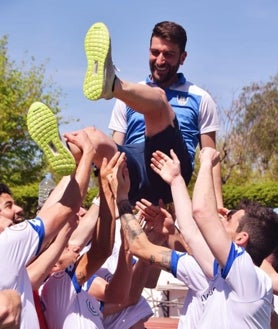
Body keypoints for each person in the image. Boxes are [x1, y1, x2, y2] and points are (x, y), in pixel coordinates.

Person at [106, 149, 278, 328]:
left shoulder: (250, 277)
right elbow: (188, 232)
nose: (220, 216)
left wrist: (206, 162)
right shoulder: (217, 271)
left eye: (228, 219)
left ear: (241, 238)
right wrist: (176, 180)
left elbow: (202, 213)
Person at [107, 21, 223, 208]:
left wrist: (217, 207)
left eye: (168, 55)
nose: (160, 60)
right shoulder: (127, 99)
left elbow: (211, 157)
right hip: (136, 172)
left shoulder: (201, 98)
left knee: (158, 100)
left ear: (182, 57)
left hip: (172, 171)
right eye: (155, 52)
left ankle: (112, 84)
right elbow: (117, 149)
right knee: (93, 142)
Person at [0, 122, 95, 328]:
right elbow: (67, 206)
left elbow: (51, 214)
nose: (18, 209)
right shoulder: (7, 244)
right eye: (8, 205)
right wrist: (88, 154)